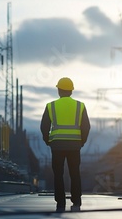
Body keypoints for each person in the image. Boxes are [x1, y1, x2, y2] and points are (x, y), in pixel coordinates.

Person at [40, 77, 91, 212]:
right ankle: (76, 200)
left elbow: (44, 126)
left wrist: (48, 140)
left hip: (57, 145)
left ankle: (60, 201)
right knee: (75, 173)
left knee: (58, 174)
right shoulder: (80, 106)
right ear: (71, 91)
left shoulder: (51, 106)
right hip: (74, 145)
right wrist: (82, 142)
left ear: (59, 90)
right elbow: (86, 127)